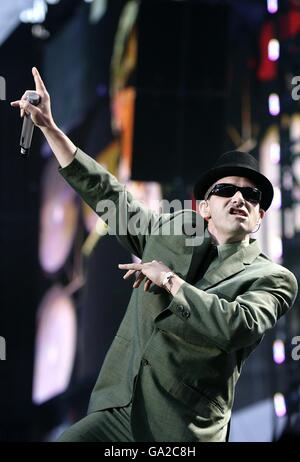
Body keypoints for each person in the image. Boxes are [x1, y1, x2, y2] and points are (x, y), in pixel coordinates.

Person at [11, 68, 298, 442]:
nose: (240, 198)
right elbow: (108, 195)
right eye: (226, 189)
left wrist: (170, 280)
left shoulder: (271, 278)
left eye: (253, 195)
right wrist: (50, 127)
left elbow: (235, 326)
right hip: (120, 410)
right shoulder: (170, 233)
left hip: (183, 429)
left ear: (260, 217)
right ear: (206, 208)